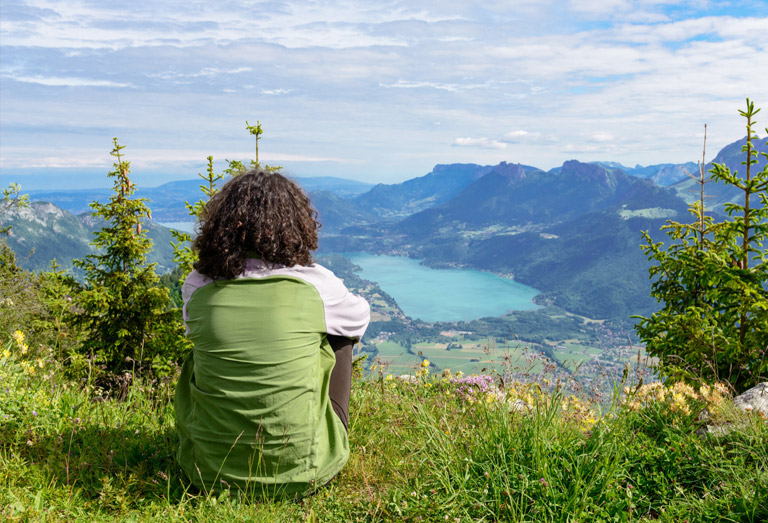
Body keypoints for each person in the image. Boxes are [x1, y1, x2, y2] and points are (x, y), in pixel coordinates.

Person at [174, 169, 370, 498]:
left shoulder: (198, 286)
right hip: (306, 473)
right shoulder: (315, 284)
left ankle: (215, 440)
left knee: (200, 350)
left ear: (222, 224)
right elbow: (359, 318)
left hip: (206, 473)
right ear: (294, 223)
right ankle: (333, 433)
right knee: (339, 337)